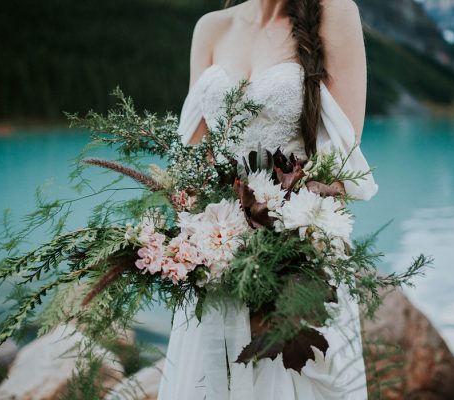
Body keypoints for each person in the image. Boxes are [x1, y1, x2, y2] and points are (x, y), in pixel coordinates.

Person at [158, 0, 379, 399]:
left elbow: (342, 164)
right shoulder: (211, 27)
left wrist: (279, 233)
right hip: (217, 257)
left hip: (298, 256)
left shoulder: (335, 11)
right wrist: (190, 233)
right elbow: (195, 159)